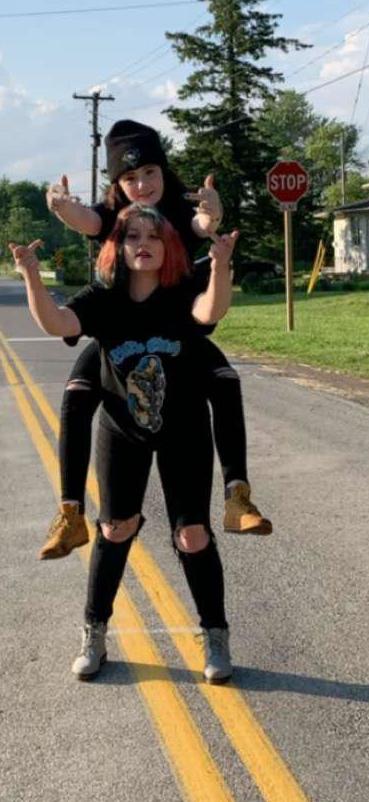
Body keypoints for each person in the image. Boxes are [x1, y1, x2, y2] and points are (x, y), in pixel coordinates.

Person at [10, 204, 239, 683]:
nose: (143, 244)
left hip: (184, 431)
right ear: (118, 245)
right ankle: (94, 632)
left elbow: (210, 311)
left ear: (168, 246)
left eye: (153, 236)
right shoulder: (104, 298)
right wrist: (31, 275)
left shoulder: (182, 291)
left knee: (192, 535)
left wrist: (219, 266)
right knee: (115, 529)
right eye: (132, 235)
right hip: (121, 431)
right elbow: (57, 323)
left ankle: (215, 634)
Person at [41, 119, 270, 561]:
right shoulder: (113, 214)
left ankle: (238, 495)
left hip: (178, 327)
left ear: (164, 170)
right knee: (77, 393)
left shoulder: (180, 210)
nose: (142, 185)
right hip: (119, 327)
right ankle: (70, 511)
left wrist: (214, 211)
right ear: (117, 183)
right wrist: (61, 207)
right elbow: (86, 220)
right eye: (129, 178)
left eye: (149, 172)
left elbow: (204, 223)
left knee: (225, 381)